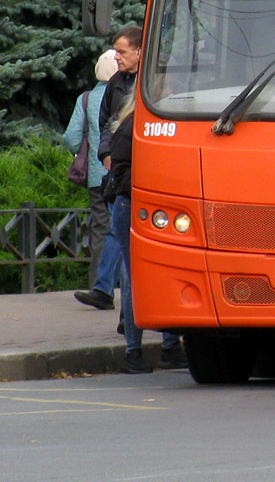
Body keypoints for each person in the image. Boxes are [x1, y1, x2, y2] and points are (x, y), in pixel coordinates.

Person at [95, 26, 186, 374]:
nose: (117, 56)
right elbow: (111, 136)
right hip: (132, 199)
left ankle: (165, 345)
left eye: (121, 50)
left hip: (130, 197)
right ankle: (137, 350)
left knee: (145, 274)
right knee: (136, 276)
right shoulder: (136, 116)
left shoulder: (135, 110)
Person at [66, 50, 122, 305]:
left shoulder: (86, 99)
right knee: (123, 229)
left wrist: (84, 153)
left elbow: (71, 138)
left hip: (96, 178)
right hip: (122, 174)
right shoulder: (126, 94)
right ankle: (117, 288)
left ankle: (99, 286)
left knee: (101, 229)